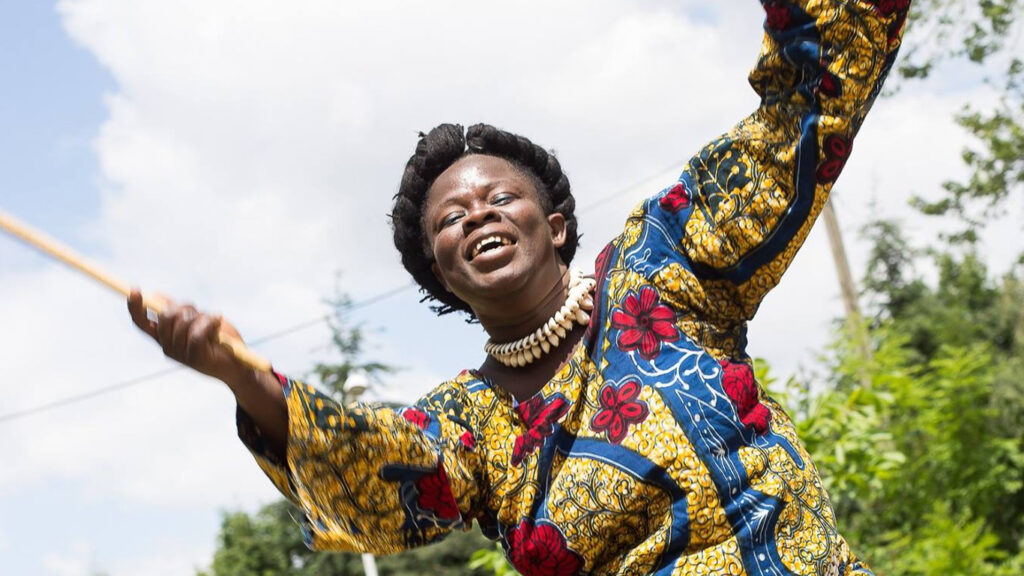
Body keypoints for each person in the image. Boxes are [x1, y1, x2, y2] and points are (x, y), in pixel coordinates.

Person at [128, 1, 911, 574]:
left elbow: (795, 121)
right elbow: (375, 468)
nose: (477, 215)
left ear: (557, 224)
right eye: (450, 219)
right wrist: (238, 372)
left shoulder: (664, 267)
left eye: (499, 197)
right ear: (440, 274)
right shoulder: (470, 428)